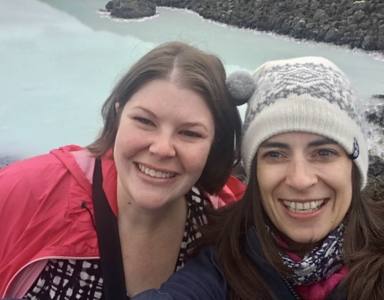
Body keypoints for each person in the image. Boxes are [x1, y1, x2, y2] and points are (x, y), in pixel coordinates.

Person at [132, 56, 384, 300]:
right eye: (275, 154)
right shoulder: (223, 262)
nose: (300, 179)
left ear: (353, 167)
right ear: (254, 171)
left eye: (324, 152)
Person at [0, 41, 246, 299]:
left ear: (214, 142)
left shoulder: (222, 223)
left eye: (190, 133)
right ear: (118, 115)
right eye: (144, 121)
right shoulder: (27, 192)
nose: (162, 149)